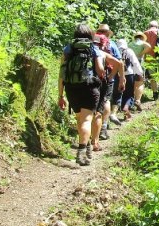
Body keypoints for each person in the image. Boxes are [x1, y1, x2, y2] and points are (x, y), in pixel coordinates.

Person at [57, 23, 104, 166]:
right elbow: (100, 70)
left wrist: (60, 95)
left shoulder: (68, 49)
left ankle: (87, 147)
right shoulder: (93, 49)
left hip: (71, 88)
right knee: (86, 120)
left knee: (80, 119)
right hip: (89, 88)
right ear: (90, 34)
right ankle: (81, 152)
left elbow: (61, 74)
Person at [92, 23, 123, 151]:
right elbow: (119, 62)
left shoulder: (92, 42)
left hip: (91, 77)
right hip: (107, 77)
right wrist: (117, 77)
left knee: (93, 104)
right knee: (105, 101)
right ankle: (103, 127)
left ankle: (91, 130)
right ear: (108, 33)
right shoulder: (111, 44)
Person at [117, 39, 144, 119]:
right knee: (129, 94)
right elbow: (135, 63)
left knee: (121, 94)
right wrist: (140, 73)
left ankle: (125, 111)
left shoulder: (115, 51)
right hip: (129, 75)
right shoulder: (129, 51)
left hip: (118, 76)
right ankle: (127, 107)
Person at [128, 30, 153, 108]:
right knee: (140, 82)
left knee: (132, 82)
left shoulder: (130, 44)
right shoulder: (142, 42)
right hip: (139, 63)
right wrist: (142, 53)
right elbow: (149, 46)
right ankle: (138, 100)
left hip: (130, 63)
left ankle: (130, 102)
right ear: (142, 37)